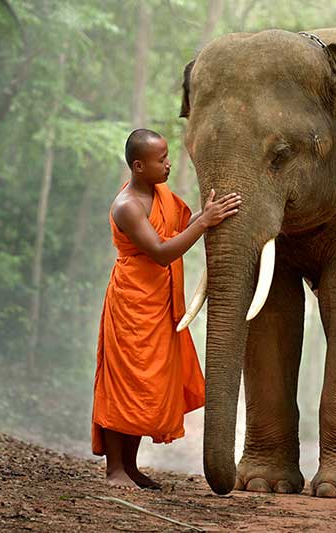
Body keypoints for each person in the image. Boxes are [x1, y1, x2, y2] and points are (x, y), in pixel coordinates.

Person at [91, 128, 241, 489]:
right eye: (162, 160)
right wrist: (204, 223)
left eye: (168, 156)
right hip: (132, 304)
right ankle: (115, 470)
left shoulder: (160, 194)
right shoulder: (128, 205)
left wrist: (205, 217)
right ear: (139, 166)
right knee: (124, 382)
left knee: (150, 384)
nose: (169, 164)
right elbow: (160, 252)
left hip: (159, 304)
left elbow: (174, 231)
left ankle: (131, 465)